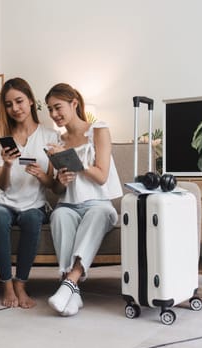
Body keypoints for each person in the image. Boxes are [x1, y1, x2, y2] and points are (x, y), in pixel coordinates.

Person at [44, 83, 123, 316]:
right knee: (58, 215)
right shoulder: (58, 141)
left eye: (58, 107)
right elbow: (57, 190)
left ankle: (68, 283)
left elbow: (101, 176)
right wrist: (61, 178)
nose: (54, 114)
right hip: (68, 204)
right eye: (50, 109)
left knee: (99, 214)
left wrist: (73, 162)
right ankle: (74, 294)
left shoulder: (98, 130)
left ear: (74, 103)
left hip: (98, 204)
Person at [0, 77, 58, 308]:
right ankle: (6, 283)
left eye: (19, 101)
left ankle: (21, 283)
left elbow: (52, 184)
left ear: (30, 102)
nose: (15, 108)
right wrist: (6, 165)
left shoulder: (50, 137)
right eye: (8, 104)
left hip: (34, 203)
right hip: (3, 202)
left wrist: (41, 175)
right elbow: (3, 186)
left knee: (32, 218)